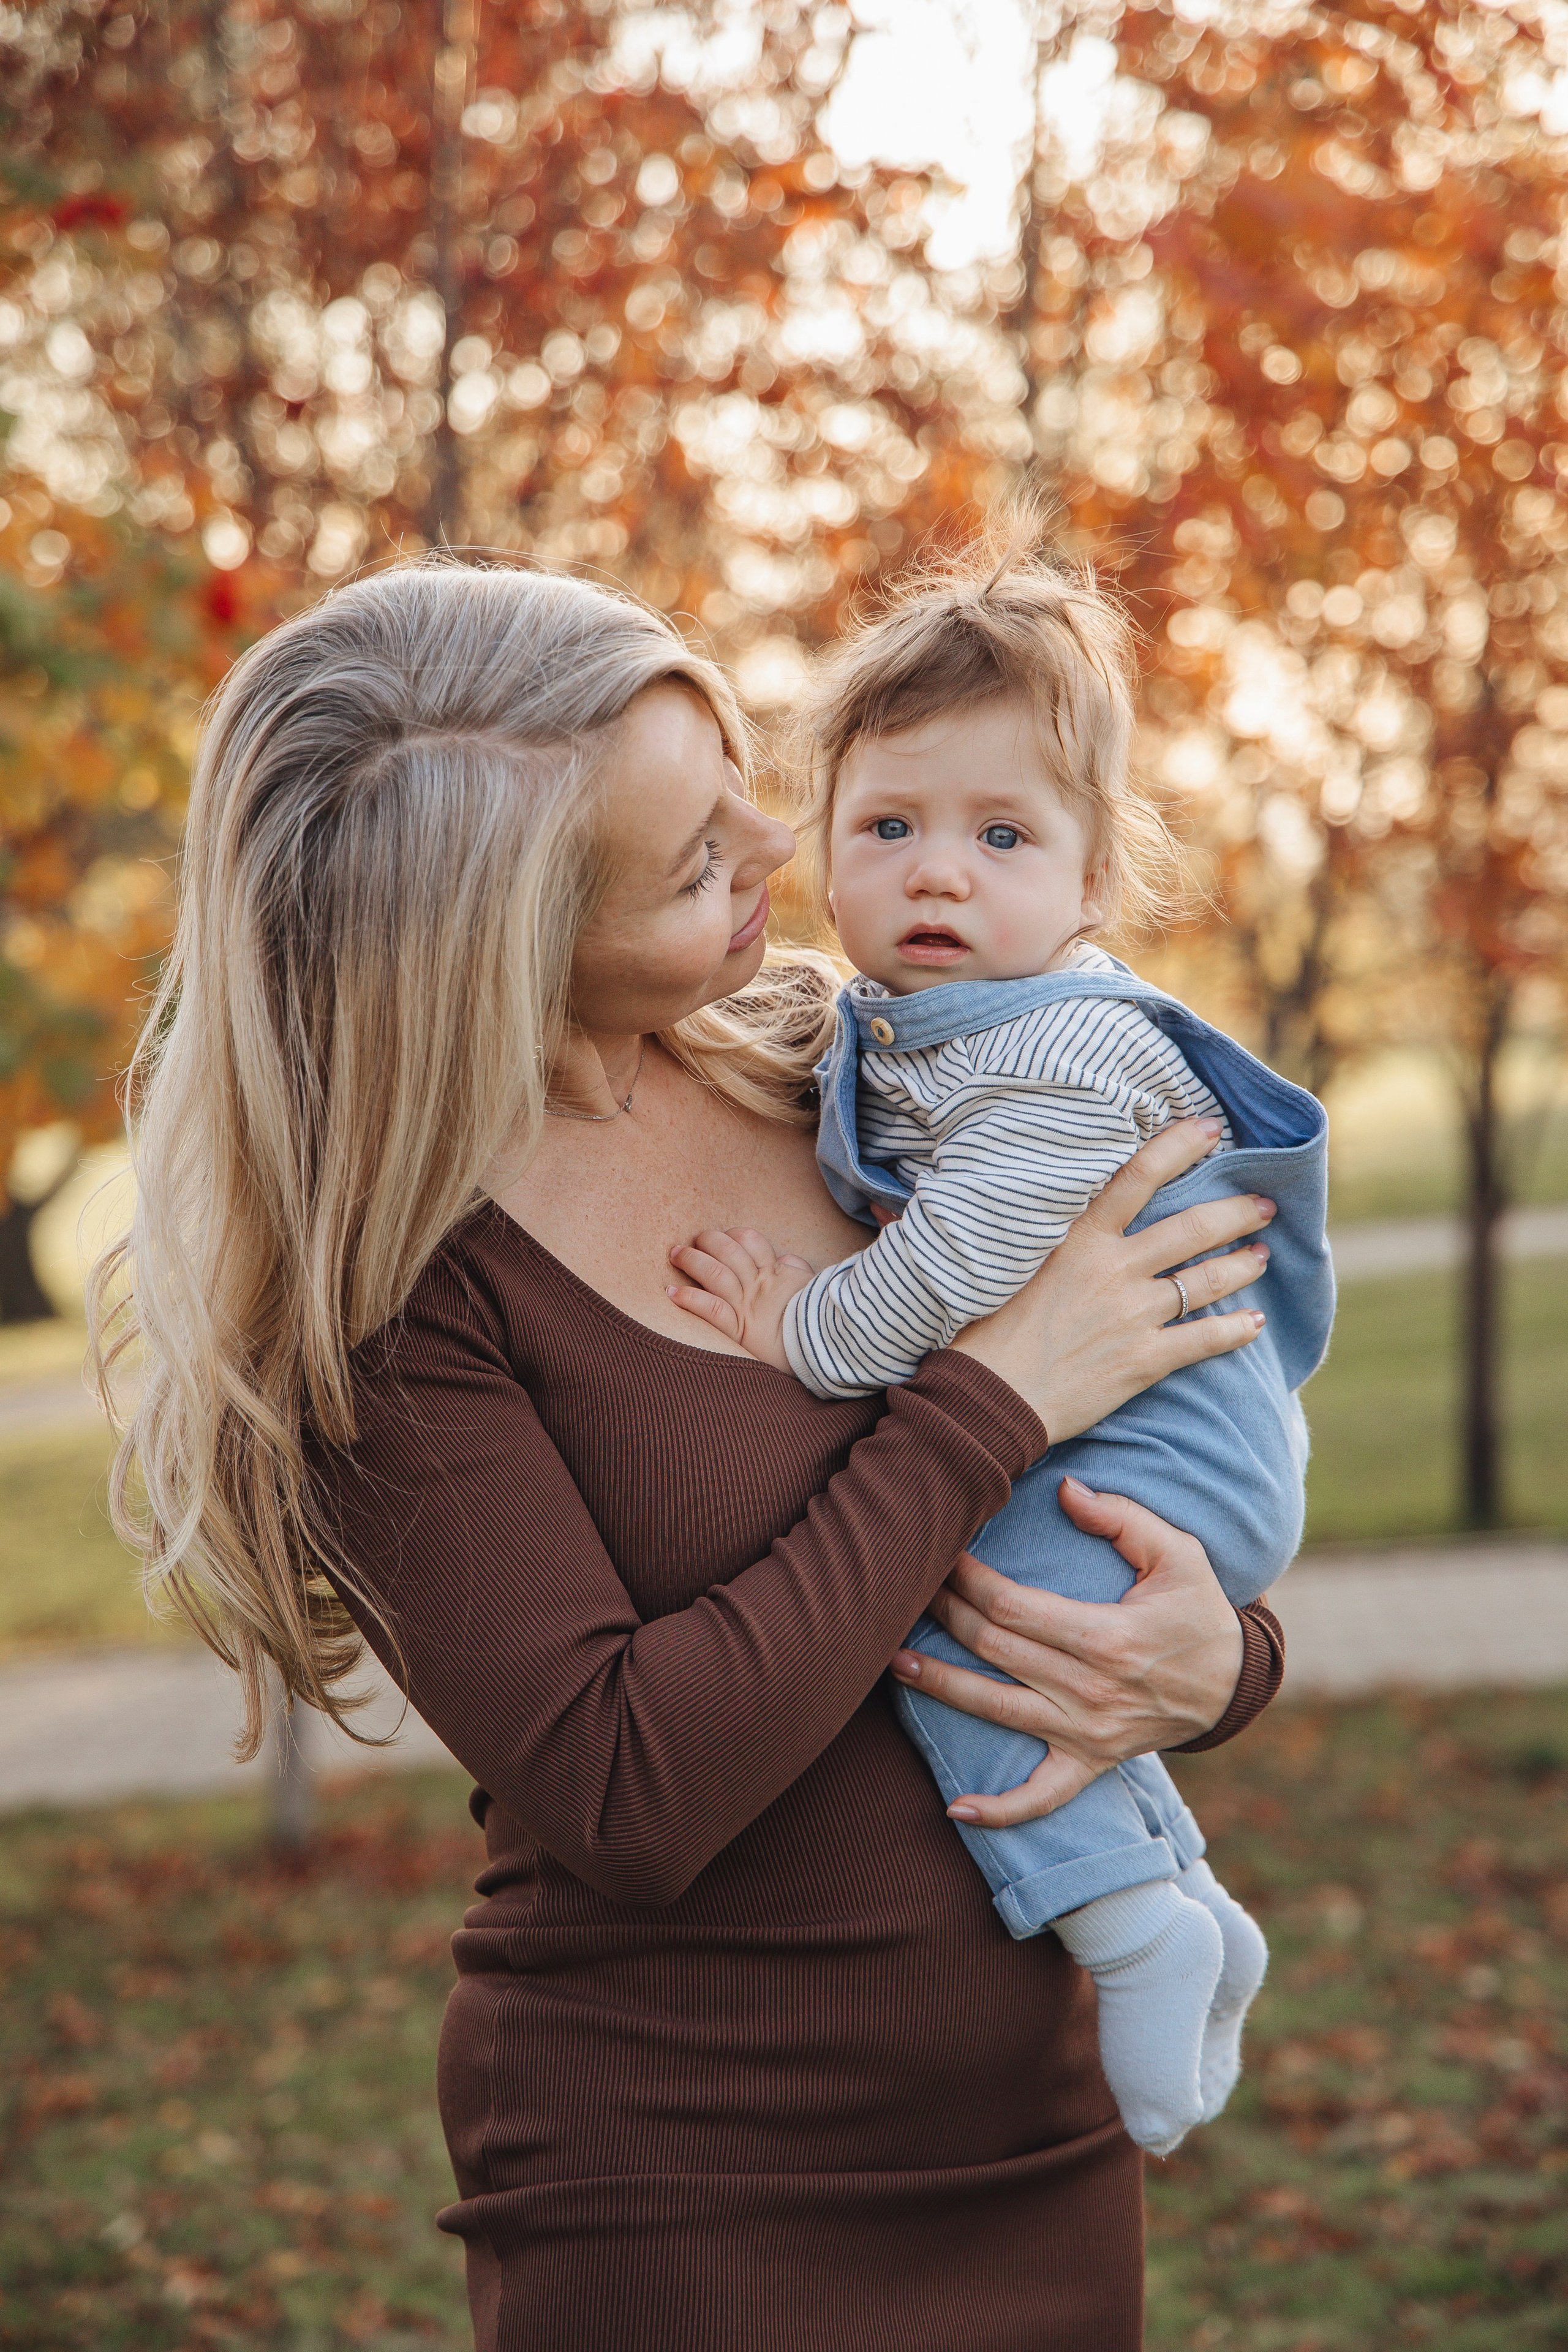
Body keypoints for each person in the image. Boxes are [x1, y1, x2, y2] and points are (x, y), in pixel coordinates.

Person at [92, 557, 1286, 2352]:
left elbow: (1148, 1459)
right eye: (696, 861)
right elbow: (629, 1790)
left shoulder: (851, 1066)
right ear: (496, 943)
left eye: (738, 780)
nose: (777, 849)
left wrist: (1220, 1663)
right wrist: (989, 1401)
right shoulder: (395, 1308)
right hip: (692, 2195)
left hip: (1038, 2142)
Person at [668, 529, 1334, 2159]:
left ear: (1094, 880)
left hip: (1160, 1451)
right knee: (1036, 1643)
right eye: (888, 827)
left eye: (1000, 836)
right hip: (1136, 1431)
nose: (938, 874)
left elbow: (965, 1255)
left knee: (965, 1644)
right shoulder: (921, 1026)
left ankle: (1129, 1932)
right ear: (820, 839)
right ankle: (1183, 1899)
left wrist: (800, 1329)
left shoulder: (1058, 1055)